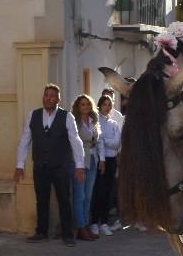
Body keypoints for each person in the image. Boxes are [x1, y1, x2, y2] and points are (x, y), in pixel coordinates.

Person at [15, 84, 86, 246]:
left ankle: (68, 235)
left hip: (61, 165)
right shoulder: (33, 115)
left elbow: (76, 142)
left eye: (52, 96)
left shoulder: (67, 117)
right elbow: (25, 140)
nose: (48, 98)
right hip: (40, 165)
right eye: (46, 95)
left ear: (58, 99)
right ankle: (41, 231)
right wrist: (19, 164)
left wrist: (79, 166)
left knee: (64, 200)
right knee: (41, 199)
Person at [71, 93, 103, 242]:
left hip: (92, 159)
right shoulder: (74, 122)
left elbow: (99, 141)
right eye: (82, 104)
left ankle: (86, 225)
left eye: (88, 104)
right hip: (80, 161)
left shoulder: (94, 120)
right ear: (78, 107)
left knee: (88, 196)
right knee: (79, 196)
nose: (85, 107)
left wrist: (101, 159)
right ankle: (80, 227)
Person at [91, 94, 122, 236]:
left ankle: (104, 222)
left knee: (109, 192)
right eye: (104, 104)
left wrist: (107, 140)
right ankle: (94, 222)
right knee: (99, 192)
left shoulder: (114, 124)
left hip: (112, 161)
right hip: (100, 161)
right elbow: (99, 142)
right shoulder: (96, 121)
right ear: (99, 105)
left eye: (109, 105)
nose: (107, 107)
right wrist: (108, 142)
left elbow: (117, 143)